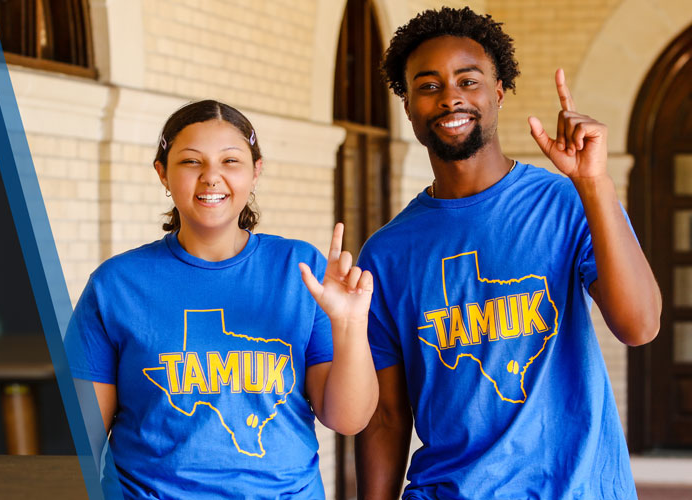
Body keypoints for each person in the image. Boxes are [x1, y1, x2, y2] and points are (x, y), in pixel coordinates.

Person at [355, 7, 661, 499]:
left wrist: (594, 184)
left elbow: (639, 325)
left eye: (468, 80)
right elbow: (387, 415)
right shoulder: (386, 253)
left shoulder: (569, 201)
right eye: (428, 85)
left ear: (498, 92)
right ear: (407, 106)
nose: (450, 95)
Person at [69, 100, 378, 498]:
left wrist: (349, 325)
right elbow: (79, 441)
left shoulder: (300, 269)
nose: (211, 177)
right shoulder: (116, 284)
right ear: (162, 173)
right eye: (191, 162)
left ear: (255, 172)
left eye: (230, 161)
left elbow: (349, 419)